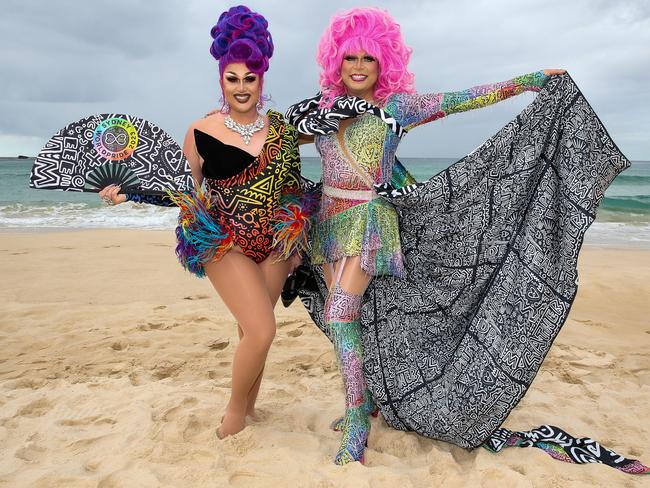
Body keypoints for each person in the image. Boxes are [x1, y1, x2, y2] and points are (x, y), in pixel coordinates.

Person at [287, 7, 648, 474]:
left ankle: (358, 423)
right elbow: (279, 142)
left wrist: (530, 80)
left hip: (369, 221)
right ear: (336, 60)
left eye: (369, 59)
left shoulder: (396, 108)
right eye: (350, 57)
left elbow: (463, 99)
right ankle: (372, 401)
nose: (358, 66)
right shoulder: (324, 110)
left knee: (340, 314)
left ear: (383, 64)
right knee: (358, 318)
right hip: (328, 221)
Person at [101, 5, 312, 439]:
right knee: (262, 328)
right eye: (232, 78)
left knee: (250, 332)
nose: (241, 87)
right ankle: (233, 417)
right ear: (221, 79)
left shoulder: (284, 130)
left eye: (249, 79)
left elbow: (292, 188)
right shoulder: (201, 130)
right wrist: (130, 190)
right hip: (223, 243)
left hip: (272, 246)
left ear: (261, 79)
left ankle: (251, 409)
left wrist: (293, 245)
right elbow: (180, 187)